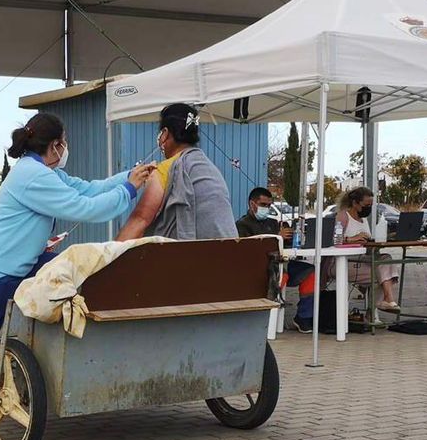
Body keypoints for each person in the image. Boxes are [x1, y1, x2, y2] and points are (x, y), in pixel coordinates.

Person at [0, 112, 156, 440]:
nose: (66, 148)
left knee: (72, 273)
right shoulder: (32, 176)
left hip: (20, 265)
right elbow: (87, 208)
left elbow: (89, 188)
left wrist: (130, 177)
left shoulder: (46, 171)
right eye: (64, 142)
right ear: (55, 145)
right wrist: (129, 190)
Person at [116, 103, 238, 241]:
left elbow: (140, 219)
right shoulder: (210, 169)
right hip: (229, 253)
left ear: (165, 134)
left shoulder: (165, 169)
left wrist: (110, 256)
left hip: (192, 257)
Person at [237, 187, 316, 333]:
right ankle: (269, 322)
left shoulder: (274, 223)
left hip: (283, 263)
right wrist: (276, 235)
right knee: (280, 275)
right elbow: (249, 248)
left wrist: (292, 236)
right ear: (252, 204)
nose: (266, 208)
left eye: (268, 205)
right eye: (263, 205)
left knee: (311, 273)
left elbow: (285, 247)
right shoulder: (242, 225)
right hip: (261, 268)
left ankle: (303, 318)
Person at [336, 187, 401, 312]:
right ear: (355, 203)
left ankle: (387, 300)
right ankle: (377, 309)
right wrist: (352, 239)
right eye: (366, 205)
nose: (369, 208)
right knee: (383, 277)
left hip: (364, 259)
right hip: (344, 261)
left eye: (371, 205)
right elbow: (333, 240)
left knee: (387, 260)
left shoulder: (364, 220)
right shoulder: (343, 216)